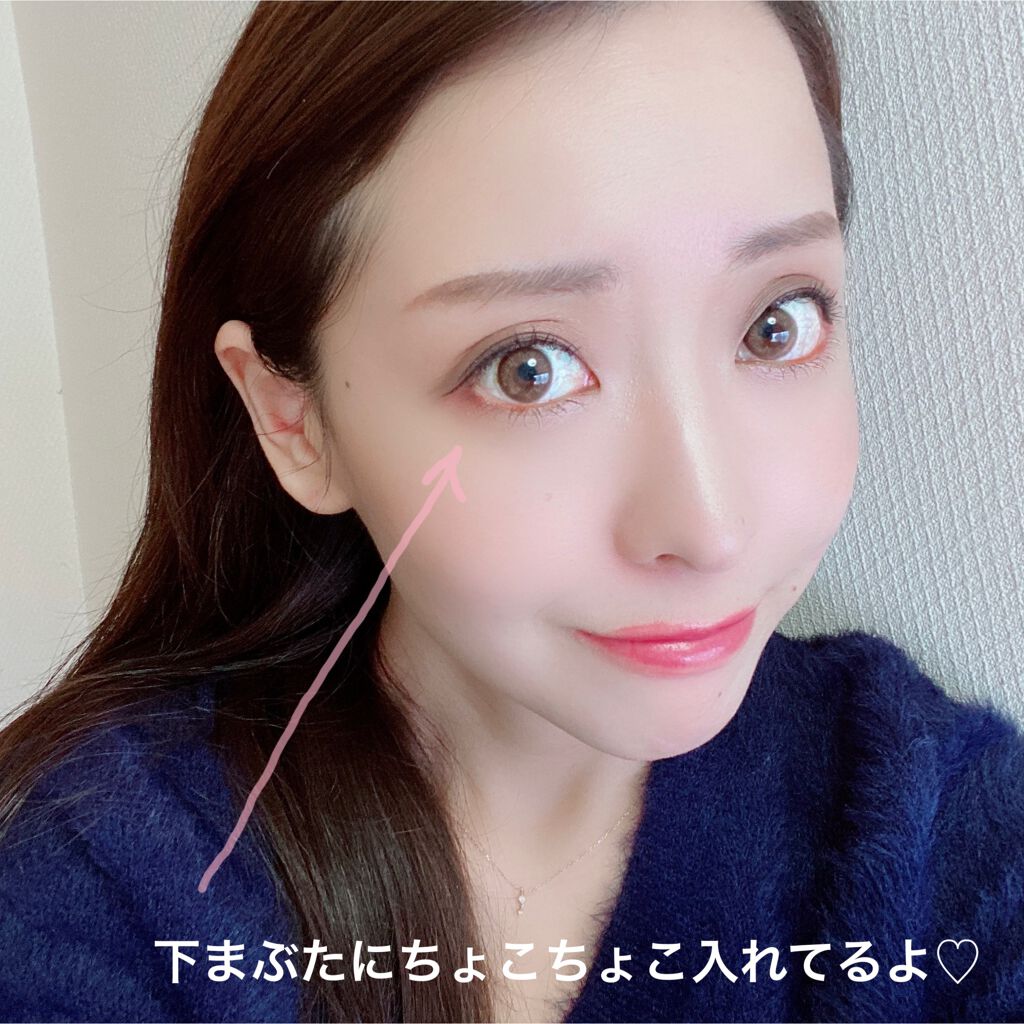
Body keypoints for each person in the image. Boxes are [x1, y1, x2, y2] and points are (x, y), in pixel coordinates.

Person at [0, 2, 1021, 1022]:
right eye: (527, 368)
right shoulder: (104, 883)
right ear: (293, 420)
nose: (709, 529)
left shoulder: (924, 821)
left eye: (775, 324)